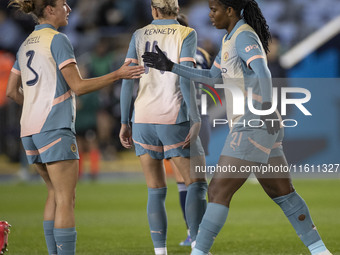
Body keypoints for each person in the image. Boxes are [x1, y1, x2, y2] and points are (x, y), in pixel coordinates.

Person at [142, 0, 332, 255]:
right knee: (283, 193)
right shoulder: (230, 39)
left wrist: (264, 106)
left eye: (214, 10)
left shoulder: (244, 36)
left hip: (253, 123)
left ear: (230, 11)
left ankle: (199, 252)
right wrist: (172, 67)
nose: (210, 15)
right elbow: (211, 77)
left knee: (218, 190)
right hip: (260, 125)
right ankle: (321, 251)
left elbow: (262, 70)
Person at [5, 1, 144, 254]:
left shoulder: (25, 44)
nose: (68, 8)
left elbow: (11, 92)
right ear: (49, 9)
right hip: (54, 127)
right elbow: (77, 86)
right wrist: (118, 74)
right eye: (63, 4)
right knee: (66, 199)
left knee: (53, 193)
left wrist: (35, 104)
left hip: (30, 130)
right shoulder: (58, 40)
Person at [119, 1, 208, 254]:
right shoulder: (186, 33)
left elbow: (127, 79)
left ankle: (160, 252)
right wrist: (195, 117)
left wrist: (125, 121)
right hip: (173, 116)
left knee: (155, 190)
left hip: (142, 118)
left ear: (153, 9)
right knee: (197, 184)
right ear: (176, 10)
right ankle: (199, 248)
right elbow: (185, 75)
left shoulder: (139, 34)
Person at [164, 13, 213, 247]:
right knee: (196, 180)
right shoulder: (202, 53)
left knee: (185, 180)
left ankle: (195, 234)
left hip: (182, 116)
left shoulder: (175, 55)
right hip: (201, 115)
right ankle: (198, 233)